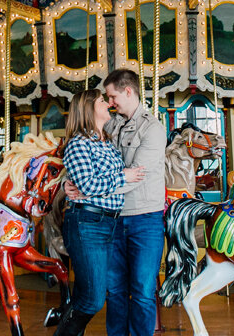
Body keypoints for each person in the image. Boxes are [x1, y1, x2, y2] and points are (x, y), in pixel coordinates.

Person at [54, 89, 145, 336]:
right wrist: (121, 177)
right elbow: (89, 185)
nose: (108, 103)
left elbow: (93, 185)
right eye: (102, 100)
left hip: (109, 223)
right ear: (88, 108)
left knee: (90, 293)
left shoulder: (106, 141)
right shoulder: (78, 143)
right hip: (87, 222)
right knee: (93, 299)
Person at [102, 69, 167, 336]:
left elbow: (137, 175)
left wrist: (91, 189)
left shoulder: (153, 128)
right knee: (114, 289)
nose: (110, 102)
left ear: (128, 91)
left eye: (112, 96)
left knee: (141, 290)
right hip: (113, 217)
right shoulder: (109, 124)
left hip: (144, 218)